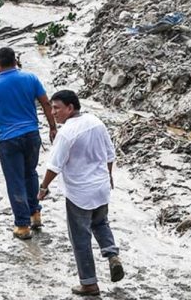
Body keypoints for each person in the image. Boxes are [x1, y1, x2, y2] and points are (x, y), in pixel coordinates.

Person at [37, 90, 124, 297]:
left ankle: (89, 284)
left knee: (80, 237)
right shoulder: (96, 122)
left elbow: (54, 165)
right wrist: (109, 176)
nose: (53, 112)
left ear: (70, 108)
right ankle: (112, 255)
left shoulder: (66, 133)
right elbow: (110, 153)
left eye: (57, 108)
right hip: (100, 186)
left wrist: (43, 187)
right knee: (101, 223)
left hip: (79, 192)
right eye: (51, 107)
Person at [0, 47, 56, 240]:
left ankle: (22, 225)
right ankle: (35, 215)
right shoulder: (31, 79)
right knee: (30, 173)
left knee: (15, 180)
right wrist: (53, 127)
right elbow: (46, 103)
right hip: (32, 135)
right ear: (16, 61)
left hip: (9, 139)